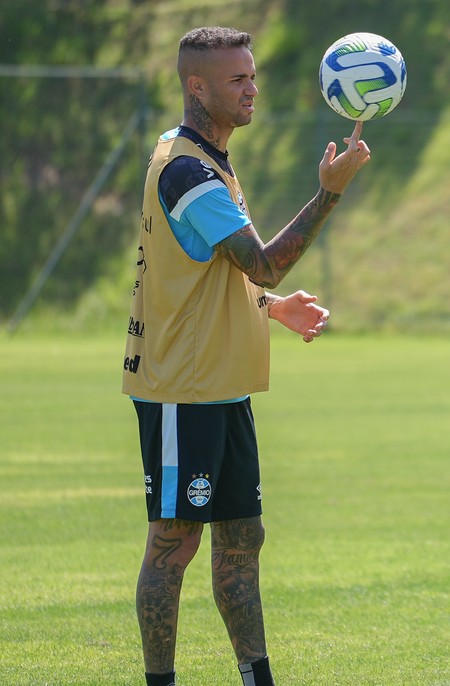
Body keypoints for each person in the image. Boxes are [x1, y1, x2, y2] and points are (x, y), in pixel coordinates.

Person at [121, 26, 371, 686]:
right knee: (173, 543)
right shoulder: (185, 171)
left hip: (222, 387)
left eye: (253, 75)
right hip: (182, 389)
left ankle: (256, 678)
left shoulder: (207, 161)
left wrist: (274, 309)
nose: (253, 87)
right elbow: (258, 263)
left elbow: (213, 275)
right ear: (196, 86)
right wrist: (329, 193)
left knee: (243, 538)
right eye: (238, 79)